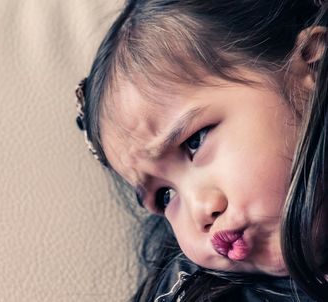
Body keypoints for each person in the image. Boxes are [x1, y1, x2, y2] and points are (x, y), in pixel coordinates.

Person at [74, 0, 328, 301]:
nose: (198, 212)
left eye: (195, 142)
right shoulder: (196, 290)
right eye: (165, 196)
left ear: (311, 63)